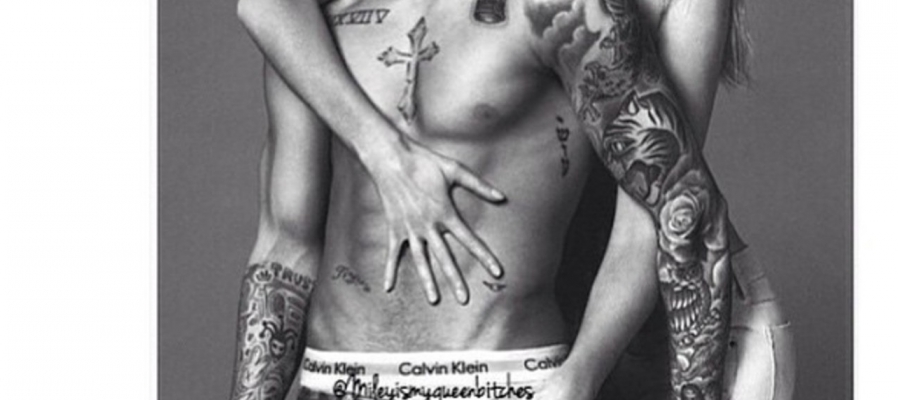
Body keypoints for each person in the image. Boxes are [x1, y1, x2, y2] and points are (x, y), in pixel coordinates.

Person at [230, 0, 795, 399]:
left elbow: (669, 212)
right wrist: (386, 153)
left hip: (527, 360)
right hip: (332, 379)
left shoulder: (569, 15)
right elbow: (286, 243)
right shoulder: (313, 26)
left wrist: (581, 374)